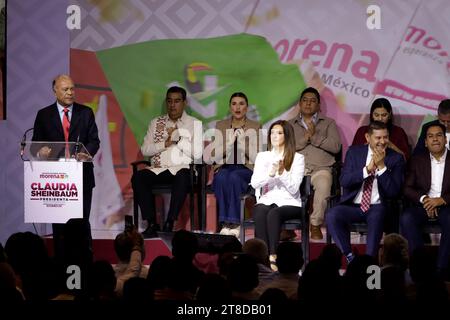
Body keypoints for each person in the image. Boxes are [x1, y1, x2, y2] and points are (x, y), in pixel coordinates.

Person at [31, 74, 100, 261]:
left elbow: (94, 140)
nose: (70, 93)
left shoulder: (85, 112)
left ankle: (85, 261)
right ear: (55, 91)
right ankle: (61, 263)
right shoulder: (43, 115)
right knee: (60, 226)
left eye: (72, 88)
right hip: (56, 178)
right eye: (65, 89)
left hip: (81, 176)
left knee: (82, 223)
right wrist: (41, 151)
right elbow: (35, 145)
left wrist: (88, 153)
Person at [326, 121, 404, 263]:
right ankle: (350, 257)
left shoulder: (396, 158)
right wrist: (367, 170)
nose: (382, 141)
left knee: (378, 214)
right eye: (378, 138)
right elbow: (344, 181)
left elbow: (393, 191)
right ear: (368, 137)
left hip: (377, 206)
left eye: (385, 137)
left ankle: (369, 262)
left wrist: (381, 167)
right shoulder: (354, 153)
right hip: (353, 205)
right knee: (332, 214)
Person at [131, 86, 203, 237]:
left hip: (182, 169)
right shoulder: (156, 123)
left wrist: (178, 139)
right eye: (169, 101)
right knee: (138, 177)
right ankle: (151, 223)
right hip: (159, 169)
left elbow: (198, 154)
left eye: (177, 101)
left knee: (183, 175)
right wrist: (165, 144)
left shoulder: (194, 123)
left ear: (184, 103)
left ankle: (170, 221)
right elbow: (145, 150)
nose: (172, 105)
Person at [288, 87, 341, 240]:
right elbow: (286, 147)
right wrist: (306, 138)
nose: (308, 104)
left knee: (324, 184)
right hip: (296, 169)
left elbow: (336, 146)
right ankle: (289, 226)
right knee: (285, 185)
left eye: (312, 101)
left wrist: (315, 137)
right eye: (305, 100)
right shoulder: (290, 124)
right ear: (299, 103)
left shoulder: (328, 123)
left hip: (321, 168)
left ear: (318, 105)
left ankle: (315, 224)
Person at [250, 120, 305, 261]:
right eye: (272, 132)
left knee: (274, 213)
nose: (274, 136)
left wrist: (282, 173)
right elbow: (255, 183)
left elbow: (293, 189)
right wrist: (271, 174)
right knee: (259, 210)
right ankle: (262, 258)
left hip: (291, 202)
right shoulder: (263, 157)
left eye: (279, 133)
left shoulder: (298, 158)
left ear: (287, 136)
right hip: (268, 198)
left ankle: (273, 256)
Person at [401, 123, 450, 275]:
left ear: (445, 139)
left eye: (439, 135)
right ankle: (421, 266)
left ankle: (442, 268)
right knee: (407, 218)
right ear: (425, 142)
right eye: (430, 136)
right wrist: (425, 200)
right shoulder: (417, 160)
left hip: (447, 206)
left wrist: (441, 200)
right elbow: (407, 188)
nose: (435, 139)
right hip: (423, 205)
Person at [212, 92, 261, 237]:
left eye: (241, 103)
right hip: (225, 166)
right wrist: (228, 144)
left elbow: (258, 157)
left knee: (234, 177)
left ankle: (235, 223)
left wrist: (242, 144)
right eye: (234, 104)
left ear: (246, 107)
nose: (237, 107)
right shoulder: (221, 126)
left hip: (246, 168)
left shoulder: (255, 126)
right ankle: (225, 224)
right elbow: (214, 155)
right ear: (230, 107)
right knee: (221, 177)